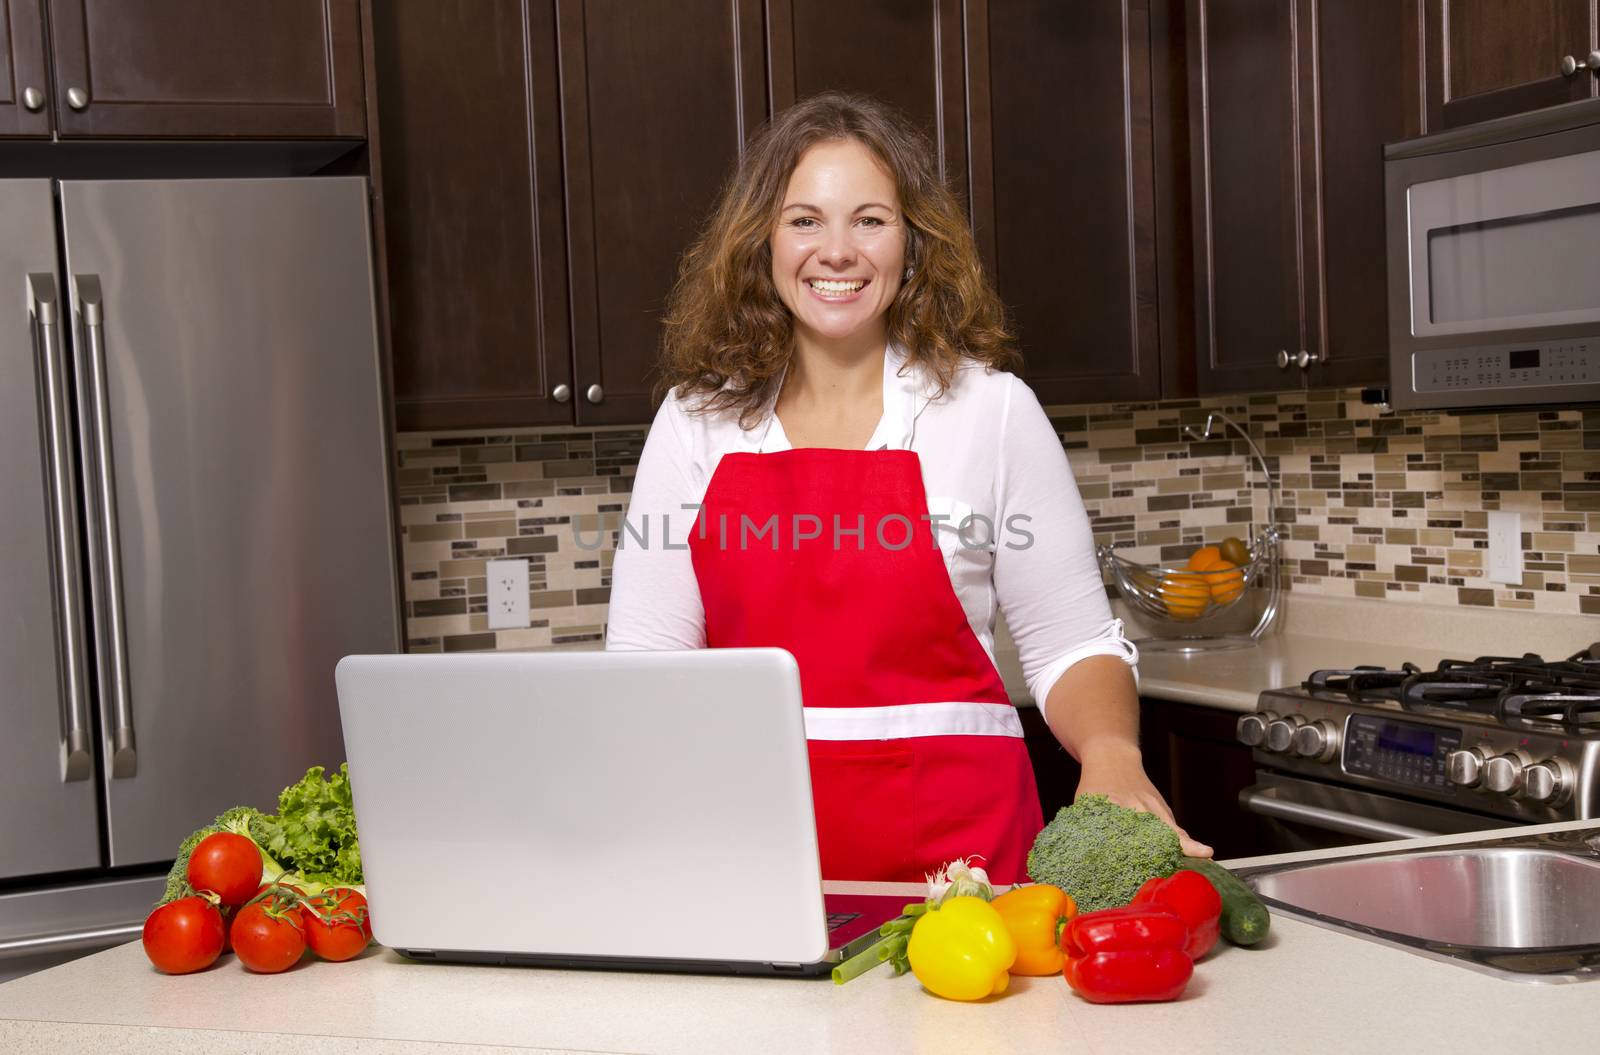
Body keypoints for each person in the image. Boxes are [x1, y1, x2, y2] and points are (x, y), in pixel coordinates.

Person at [605, 91, 1210, 882]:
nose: (837, 251)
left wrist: (1110, 754)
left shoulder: (989, 413)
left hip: (966, 888)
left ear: (913, 242)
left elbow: (1071, 645)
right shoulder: (696, 424)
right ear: (762, 242)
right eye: (805, 220)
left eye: (870, 220)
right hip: (751, 874)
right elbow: (646, 671)